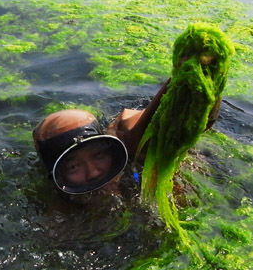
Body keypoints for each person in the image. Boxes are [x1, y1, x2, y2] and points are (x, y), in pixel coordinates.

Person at [32, 82, 173, 196]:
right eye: (74, 166)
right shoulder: (53, 217)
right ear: (57, 176)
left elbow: (162, 114)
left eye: (98, 155)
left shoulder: (134, 167)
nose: (94, 173)